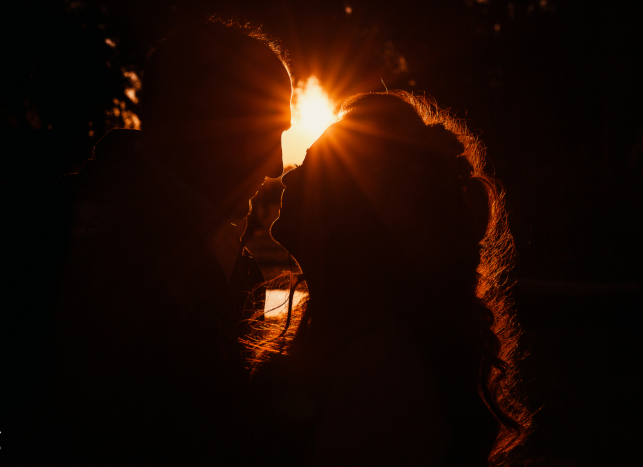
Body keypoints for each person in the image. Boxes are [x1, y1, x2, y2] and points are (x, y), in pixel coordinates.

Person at [50, 18, 292, 464]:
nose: (277, 165)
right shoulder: (79, 249)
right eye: (266, 132)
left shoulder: (230, 261)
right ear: (204, 122)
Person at [247, 91, 531, 466]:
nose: (287, 175)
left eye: (313, 167)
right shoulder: (360, 341)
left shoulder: (383, 373)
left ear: (355, 210)